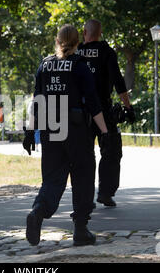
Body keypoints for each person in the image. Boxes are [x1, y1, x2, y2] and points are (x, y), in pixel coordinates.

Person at [23, 24, 109, 247]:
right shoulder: (80, 66)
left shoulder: (45, 65)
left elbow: (37, 101)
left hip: (51, 130)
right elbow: (92, 102)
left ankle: (38, 211)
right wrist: (105, 132)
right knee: (83, 175)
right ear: (77, 41)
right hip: (76, 130)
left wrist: (30, 131)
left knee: (52, 178)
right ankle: (80, 230)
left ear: (57, 40)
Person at [77, 20, 136, 207]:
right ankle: (105, 192)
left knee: (83, 154)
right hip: (103, 110)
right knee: (111, 151)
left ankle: (84, 196)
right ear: (100, 33)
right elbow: (119, 83)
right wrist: (128, 107)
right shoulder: (107, 52)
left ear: (84, 32)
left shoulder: (74, 52)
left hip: (80, 112)